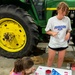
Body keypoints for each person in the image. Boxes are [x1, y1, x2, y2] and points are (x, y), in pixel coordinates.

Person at [45, 2, 72, 68]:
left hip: (63, 43)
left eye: (65, 11)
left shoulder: (67, 19)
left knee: (60, 59)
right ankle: (48, 71)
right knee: (50, 59)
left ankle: (58, 71)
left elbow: (69, 29)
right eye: (63, 10)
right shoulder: (51, 20)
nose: (64, 13)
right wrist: (52, 33)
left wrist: (68, 33)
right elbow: (47, 31)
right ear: (58, 10)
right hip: (53, 44)